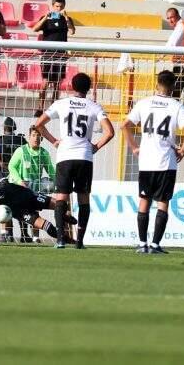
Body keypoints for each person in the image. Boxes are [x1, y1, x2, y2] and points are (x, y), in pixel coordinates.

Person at [35, 73, 115, 249]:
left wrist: (54, 140)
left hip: (65, 156)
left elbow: (39, 124)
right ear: (88, 88)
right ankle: (79, 241)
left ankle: (61, 239)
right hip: (85, 157)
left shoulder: (61, 103)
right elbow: (110, 131)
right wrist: (95, 146)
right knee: (83, 199)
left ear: (72, 86)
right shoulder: (94, 106)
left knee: (61, 198)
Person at [121, 70, 184, 254]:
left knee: (144, 201)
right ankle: (155, 245)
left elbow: (124, 125)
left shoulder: (143, 103)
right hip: (166, 161)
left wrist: (134, 147)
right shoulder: (178, 106)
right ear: (174, 87)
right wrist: (183, 150)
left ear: (156, 84)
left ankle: (141, 243)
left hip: (146, 161)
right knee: (163, 202)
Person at [0, 169, 77, 243]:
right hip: (19, 211)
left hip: (26, 196)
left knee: (60, 205)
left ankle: (63, 215)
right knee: (47, 226)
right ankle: (67, 240)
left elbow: (6, 186)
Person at [4, 126, 56, 242]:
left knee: (34, 211)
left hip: (34, 187)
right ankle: (6, 234)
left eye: (38, 136)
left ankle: (35, 237)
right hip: (18, 187)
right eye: (33, 135)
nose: (36, 138)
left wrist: (58, 183)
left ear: (42, 138)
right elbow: (11, 166)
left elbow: (51, 171)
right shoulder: (21, 151)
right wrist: (19, 181)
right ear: (29, 137)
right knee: (9, 210)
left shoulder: (44, 153)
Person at [32, 0, 75, 114]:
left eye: (61, 7)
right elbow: (34, 29)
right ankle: (40, 108)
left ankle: (53, 108)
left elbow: (72, 31)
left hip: (61, 55)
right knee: (45, 81)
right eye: (57, 6)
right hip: (47, 54)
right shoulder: (46, 18)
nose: (58, 9)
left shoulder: (66, 19)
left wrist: (66, 18)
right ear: (53, 6)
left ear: (64, 7)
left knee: (57, 83)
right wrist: (45, 18)